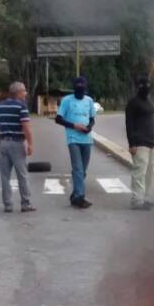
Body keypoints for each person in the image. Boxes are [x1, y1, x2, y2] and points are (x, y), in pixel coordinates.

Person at [55, 76, 96, 208]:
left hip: (87, 139)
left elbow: (92, 119)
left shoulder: (89, 100)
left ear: (85, 88)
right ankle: (80, 197)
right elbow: (58, 119)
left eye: (82, 88)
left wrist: (89, 127)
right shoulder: (67, 100)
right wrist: (74, 126)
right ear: (74, 88)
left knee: (82, 171)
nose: (80, 91)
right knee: (78, 168)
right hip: (73, 139)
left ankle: (74, 194)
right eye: (78, 88)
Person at [0, 81, 36, 214]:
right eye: (24, 91)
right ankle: (26, 203)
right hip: (17, 143)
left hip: (4, 143)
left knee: (5, 176)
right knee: (22, 175)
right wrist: (30, 143)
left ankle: (8, 205)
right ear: (18, 93)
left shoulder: (0, 106)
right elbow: (26, 127)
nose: (25, 93)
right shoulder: (21, 106)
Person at [126, 74, 154, 210]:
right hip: (139, 143)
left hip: (152, 142)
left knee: (149, 173)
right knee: (139, 172)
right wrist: (132, 143)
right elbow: (129, 124)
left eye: (149, 85)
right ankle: (136, 200)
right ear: (139, 86)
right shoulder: (133, 103)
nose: (147, 87)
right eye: (145, 85)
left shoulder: (149, 101)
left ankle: (144, 198)